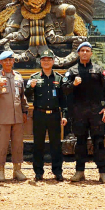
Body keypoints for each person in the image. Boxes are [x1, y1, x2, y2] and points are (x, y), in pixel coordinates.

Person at [62, 42, 105, 183]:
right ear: (78, 53)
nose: (85, 53)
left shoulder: (98, 69)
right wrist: (73, 84)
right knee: (80, 143)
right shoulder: (71, 71)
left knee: (99, 142)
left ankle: (103, 173)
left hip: (96, 112)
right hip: (79, 112)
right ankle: (79, 172)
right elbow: (64, 89)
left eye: (87, 50)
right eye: (82, 50)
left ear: (91, 53)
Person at [26, 49, 68, 182]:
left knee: (56, 145)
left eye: (49, 59)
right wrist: (30, 87)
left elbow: (63, 99)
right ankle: (38, 172)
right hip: (39, 114)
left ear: (53, 61)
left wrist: (64, 115)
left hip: (54, 115)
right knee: (38, 145)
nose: (46, 62)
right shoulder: (34, 78)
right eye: (43, 60)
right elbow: (26, 95)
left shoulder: (59, 78)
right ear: (40, 62)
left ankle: (57, 171)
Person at [0, 51, 29, 182]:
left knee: (18, 145)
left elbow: (22, 96)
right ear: (1, 62)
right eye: (5, 60)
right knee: (1, 145)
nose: (8, 62)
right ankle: (0, 170)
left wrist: (25, 111)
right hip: (2, 118)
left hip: (17, 117)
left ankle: (17, 170)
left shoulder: (18, 76)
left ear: (13, 61)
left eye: (10, 60)